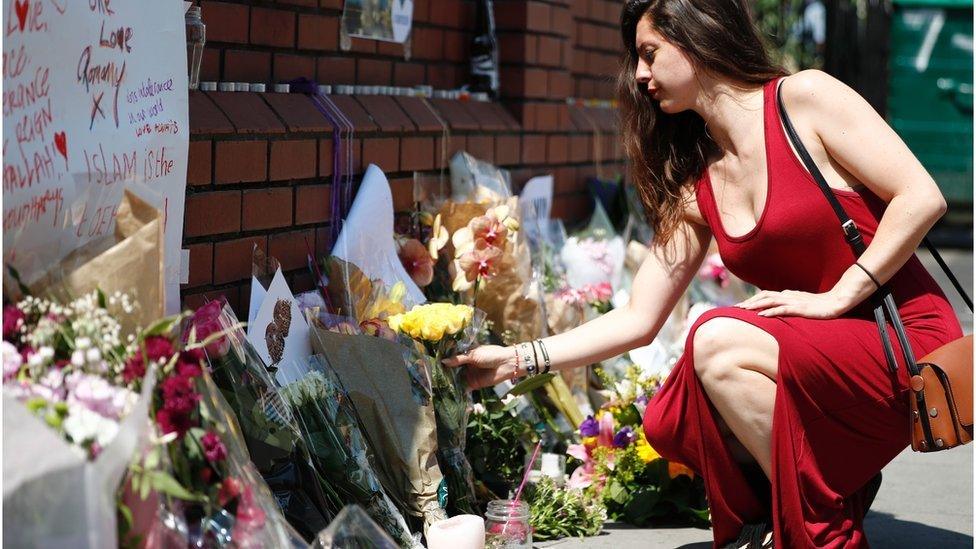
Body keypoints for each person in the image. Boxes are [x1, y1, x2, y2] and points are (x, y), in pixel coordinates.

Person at [444, 0, 964, 547]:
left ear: (698, 36)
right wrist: (515, 360)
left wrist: (840, 294)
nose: (640, 75)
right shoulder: (700, 184)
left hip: (902, 339)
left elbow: (921, 196)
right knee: (669, 419)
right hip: (818, 350)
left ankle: (824, 527)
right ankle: (824, 483)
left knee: (715, 343)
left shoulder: (804, 100)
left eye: (650, 53)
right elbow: (638, 317)